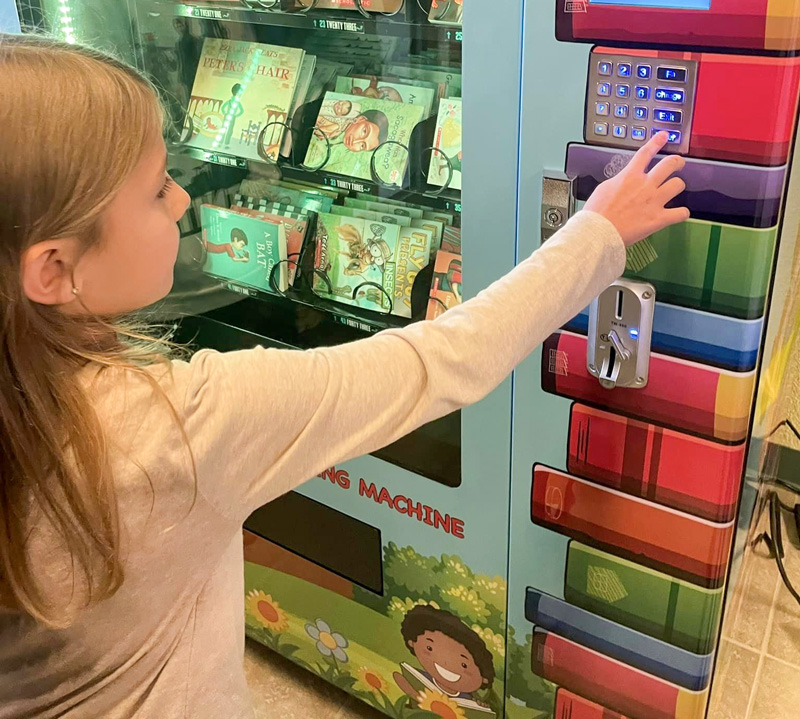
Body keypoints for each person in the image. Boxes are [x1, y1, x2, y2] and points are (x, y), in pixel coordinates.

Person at [0, 34, 688, 719]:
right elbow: (449, 358)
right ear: (53, 270)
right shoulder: (178, 429)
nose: (183, 200)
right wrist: (598, 231)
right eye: (157, 191)